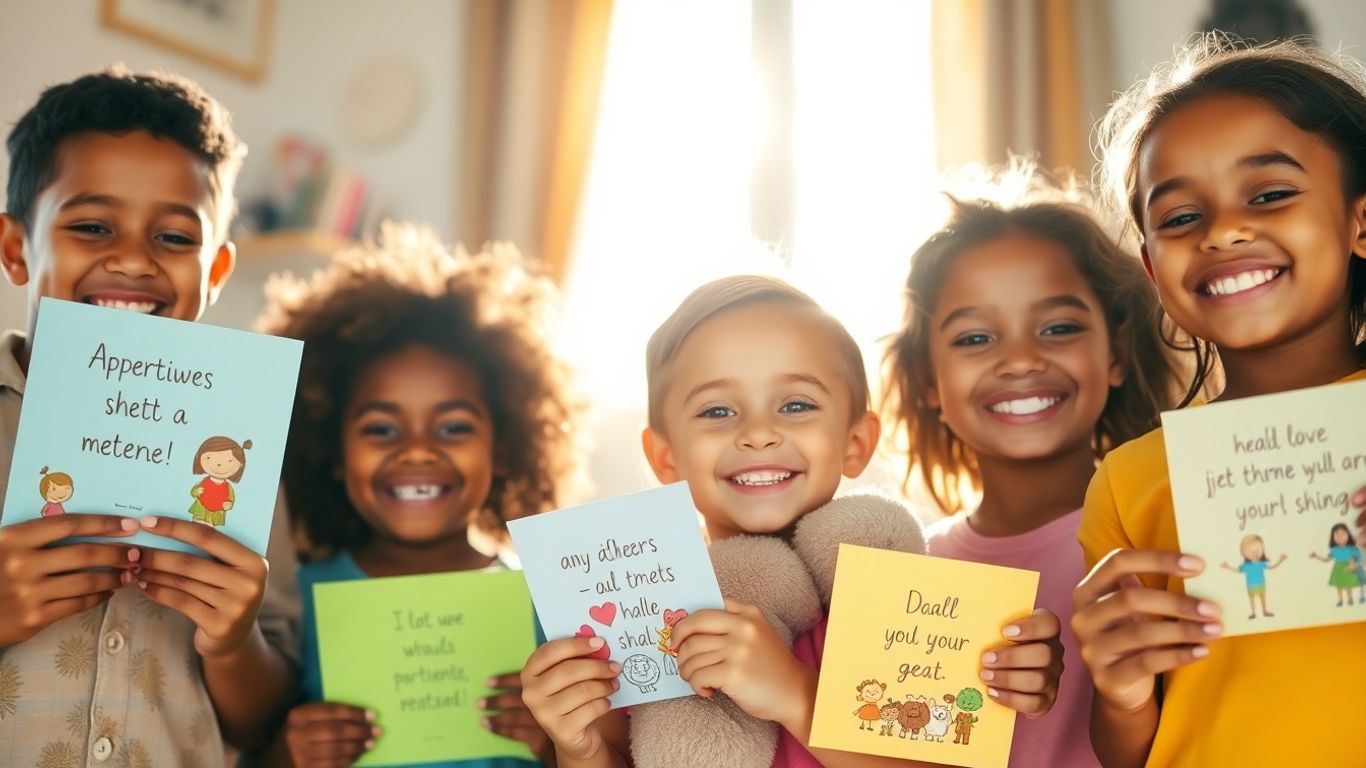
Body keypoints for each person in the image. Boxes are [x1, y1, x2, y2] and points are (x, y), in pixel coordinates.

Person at [522, 275, 1063, 768]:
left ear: (856, 444)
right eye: (717, 411)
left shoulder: (909, 600)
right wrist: (581, 745)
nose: (758, 432)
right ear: (665, 458)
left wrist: (792, 694)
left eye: (797, 405)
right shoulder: (635, 616)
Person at [1073, 36, 1366, 767]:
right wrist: (1121, 690)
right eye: (1178, 219)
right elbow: (1129, 752)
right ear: (1151, 267)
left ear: (1361, 221)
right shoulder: (1129, 481)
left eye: (1269, 194)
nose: (1224, 232)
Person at [0, 67, 297, 764]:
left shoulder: (245, 452)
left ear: (217, 271)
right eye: (92, 225)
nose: (131, 258)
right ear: (16, 248)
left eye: (173, 238)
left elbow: (262, 722)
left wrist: (233, 640)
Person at [882, 163, 1180, 767]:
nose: (1020, 360)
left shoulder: (1167, 536)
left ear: (1116, 354)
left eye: (1059, 327)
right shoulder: (908, 572)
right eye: (974, 339)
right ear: (926, 379)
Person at [254, 225, 585, 768]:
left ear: (503, 447)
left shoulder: (551, 606)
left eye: (453, 428)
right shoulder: (291, 604)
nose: (416, 451)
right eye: (382, 429)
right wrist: (285, 756)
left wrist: (553, 745)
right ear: (332, 452)